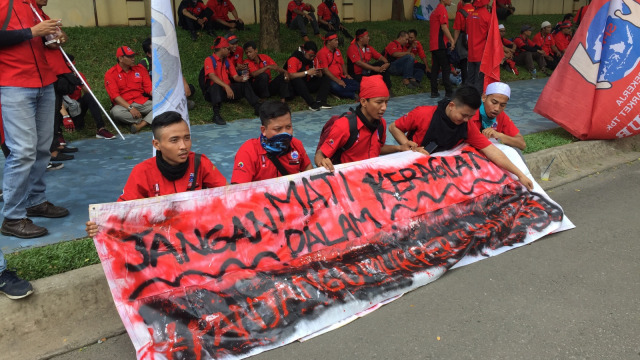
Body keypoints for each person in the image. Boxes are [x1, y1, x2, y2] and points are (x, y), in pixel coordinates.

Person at [85, 111, 228, 236]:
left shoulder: (200, 163)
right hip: (160, 245)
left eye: (187, 137)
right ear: (156, 144)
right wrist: (100, 224)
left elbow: (231, 196)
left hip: (197, 238)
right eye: (174, 140)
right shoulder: (143, 172)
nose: (183, 146)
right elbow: (121, 213)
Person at [0, 3, 70, 241]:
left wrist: (55, 38)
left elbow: (45, 39)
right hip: (13, 84)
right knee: (22, 151)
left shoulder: (34, 8)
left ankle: (35, 202)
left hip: (43, 83)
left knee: (42, 148)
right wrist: (32, 32)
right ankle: (12, 218)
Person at [388, 86, 533, 190]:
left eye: (470, 116)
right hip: (414, 168)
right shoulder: (423, 114)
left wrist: (520, 174)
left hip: (439, 173)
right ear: (451, 105)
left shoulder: (467, 126)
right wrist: (407, 144)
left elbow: (491, 151)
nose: (466, 120)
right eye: (464, 115)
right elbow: (394, 127)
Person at [314, 75, 410, 171]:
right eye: (379, 102)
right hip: (348, 181)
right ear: (363, 102)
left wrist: (400, 148)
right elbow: (320, 153)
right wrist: (321, 162)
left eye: (386, 102)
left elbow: (377, 148)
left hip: (371, 179)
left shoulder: (381, 124)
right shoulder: (344, 125)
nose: (384, 107)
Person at [231, 101, 312, 184]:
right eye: (278, 129)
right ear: (263, 130)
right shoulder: (248, 152)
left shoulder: (296, 144)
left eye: (288, 127)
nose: (285, 133)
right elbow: (238, 190)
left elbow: (309, 171)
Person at [203, 36, 260, 125]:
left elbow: (235, 76)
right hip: (214, 92)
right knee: (215, 85)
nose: (229, 51)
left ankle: (257, 106)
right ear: (222, 49)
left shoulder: (227, 60)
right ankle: (216, 114)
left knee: (244, 83)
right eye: (227, 49)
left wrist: (241, 79)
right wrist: (225, 86)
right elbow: (211, 76)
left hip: (227, 91)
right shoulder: (209, 60)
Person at [63, 55, 115, 139]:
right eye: (69, 67)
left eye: (73, 66)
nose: (72, 69)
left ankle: (101, 128)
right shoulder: (57, 78)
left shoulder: (78, 75)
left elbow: (88, 92)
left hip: (77, 107)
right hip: (64, 109)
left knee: (89, 96)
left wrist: (79, 82)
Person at [104, 46, 153, 133]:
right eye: (130, 57)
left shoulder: (140, 69)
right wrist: (130, 108)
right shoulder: (110, 74)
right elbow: (115, 96)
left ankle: (141, 124)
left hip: (141, 101)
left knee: (162, 106)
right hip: (123, 105)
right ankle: (150, 118)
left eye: (133, 56)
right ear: (121, 58)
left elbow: (149, 88)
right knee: (116, 113)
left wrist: (160, 97)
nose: (133, 59)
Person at [469, 82, 526, 152]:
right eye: (494, 102)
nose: (497, 109)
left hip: (488, 152)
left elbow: (522, 144)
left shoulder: (501, 116)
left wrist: (500, 135)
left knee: (516, 150)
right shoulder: (470, 112)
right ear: (484, 97)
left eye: (502, 105)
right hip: (468, 152)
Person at [283, 41, 331, 111]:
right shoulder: (294, 58)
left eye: (313, 56)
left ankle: (321, 101)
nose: (312, 58)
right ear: (304, 52)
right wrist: (307, 72)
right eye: (310, 56)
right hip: (295, 86)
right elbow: (291, 75)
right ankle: (311, 103)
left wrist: (318, 74)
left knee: (325, 78)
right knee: (296, 79)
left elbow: (320, 73)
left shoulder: (314, 58)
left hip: (307, 82)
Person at [315, 32, 359, 100]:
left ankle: (340, 92)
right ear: (329, 42)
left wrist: (346, 74)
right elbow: (325, 70)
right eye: (335, 40)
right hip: (330, 79)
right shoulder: (322, 53)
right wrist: (338, 81)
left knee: (357, 85)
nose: (337, 42)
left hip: (340, 77)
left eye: (337, 40)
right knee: (336, 87)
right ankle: (351, 95)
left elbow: (342, 63)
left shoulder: (337, 51)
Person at [429, 0, 455, 98]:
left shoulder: (435, 11)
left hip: (433, 45)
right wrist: (451, 40)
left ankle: (434, 92)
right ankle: (449, 92)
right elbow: (444, 27)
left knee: (435, 68)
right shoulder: (442, 9)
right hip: (440, 44)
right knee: (446, 67)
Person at [465, 0, 491, 93]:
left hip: (471, 53)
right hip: (482, 53)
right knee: (479, 79)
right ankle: (476, 102)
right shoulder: (488, 16)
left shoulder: (470, 16)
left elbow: (467, 33)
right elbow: (491, 37)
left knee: (470, 78)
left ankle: (467, 98)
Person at [452, 0, 473, 85]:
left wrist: (454, 42)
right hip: (475, 38)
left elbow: (457, 30)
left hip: (463, 39)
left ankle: (465, 84)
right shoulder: (476, 10)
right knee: (475, 62)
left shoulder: (460, 12)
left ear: (462, 1)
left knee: (464, 62)